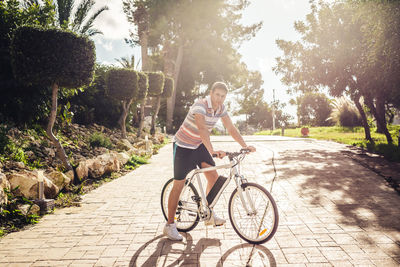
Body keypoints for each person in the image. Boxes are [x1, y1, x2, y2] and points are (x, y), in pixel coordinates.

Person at [163, 81, 256, 241]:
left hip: (198, 145)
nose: (219, 98)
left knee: (213, 177)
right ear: (211, 93)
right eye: (217, 95)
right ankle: (170, 225)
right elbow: (202, 128)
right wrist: (212, 151)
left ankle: (208, 212)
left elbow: (231, 128)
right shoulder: (200, 105)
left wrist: (245, 145)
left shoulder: (221, 109)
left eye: (223, 96)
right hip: (183, 146)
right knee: (179, 185)